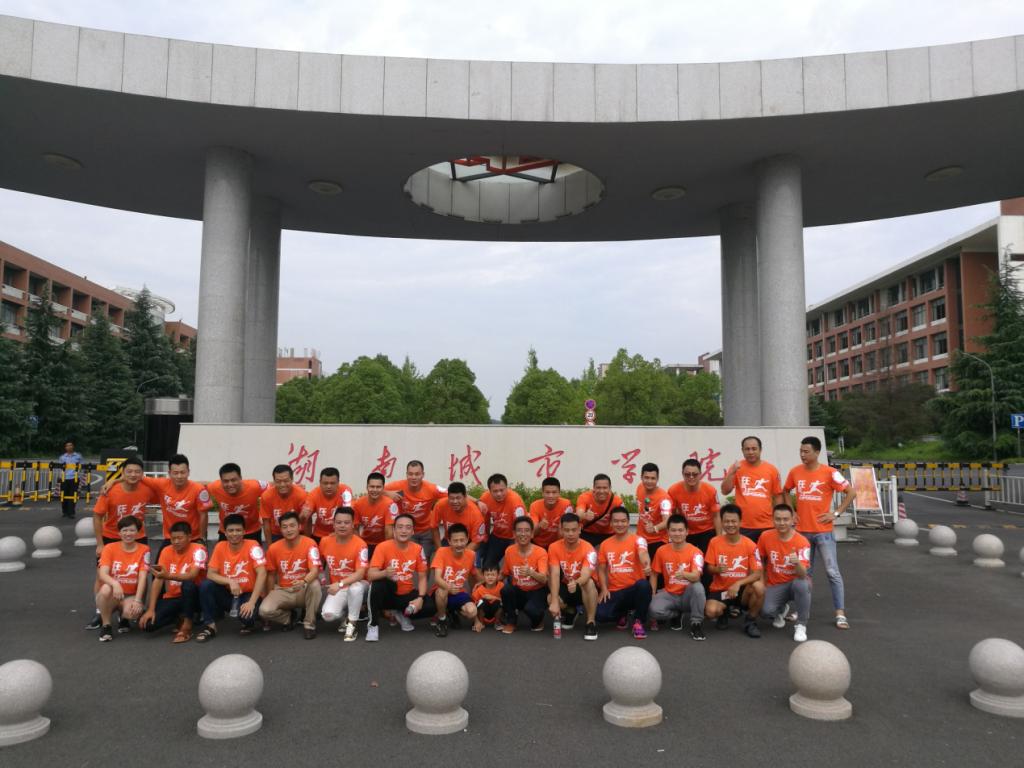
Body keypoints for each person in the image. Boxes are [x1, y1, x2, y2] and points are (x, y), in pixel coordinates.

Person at [784, 435, 854, 630]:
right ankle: (800, 611)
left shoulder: (830, 473)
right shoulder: (795, 472)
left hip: (823, 532)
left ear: (817, 452)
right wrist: (791, 512)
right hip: (802, 533)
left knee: (832, 572)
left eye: (806, 451)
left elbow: (851, 492)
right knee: (804, 573)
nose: (802, 455)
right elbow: (785, 491)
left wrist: (836, 513)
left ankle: (840, 613)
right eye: (801, 451)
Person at [86, 456, 157, 630]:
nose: (133, 475)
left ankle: (131, 609)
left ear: (142, 474)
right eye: (129, 471)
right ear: (123, 472)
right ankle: (100, 611)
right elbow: (97, 516)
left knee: (140, 574)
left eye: (137, 472)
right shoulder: (110, 491)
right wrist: (100, 543)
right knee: (101, 575)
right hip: (112, 536)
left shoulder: (147, 489)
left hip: (138, 536)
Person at [197, 513, 268, 641]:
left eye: (238, 530)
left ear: (244, 531)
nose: (234, 534)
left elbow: (262, 573)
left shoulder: (253, 545)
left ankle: (256, 616)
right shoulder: (220, 546)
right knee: (206, 585)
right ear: (225, 532)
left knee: (247, 618)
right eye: (230, 530)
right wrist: (230, 581)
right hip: (229, 593)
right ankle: (210, 625)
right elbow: (210, 574)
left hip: (248, 593)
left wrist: (251, 602)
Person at [366, 513, 431, 641]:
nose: (404, 531)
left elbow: (423, 577)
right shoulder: (382, 547)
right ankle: (373, 625)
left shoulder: (418, 549)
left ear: (413, 531)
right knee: (377, 584)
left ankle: (400, 612)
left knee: (430, 606)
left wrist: (420, 598)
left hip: (406, 594)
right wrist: (385, 573)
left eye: (408, 527)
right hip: (388, 594)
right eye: (400, 527)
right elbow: (370, 575)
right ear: (394, 530)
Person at [139, 521, 206, 643]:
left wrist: (168, 576)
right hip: (174, 597)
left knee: (188, 585)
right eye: (173, 538)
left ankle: (187, 625)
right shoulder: (166, 550)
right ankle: (179, 617)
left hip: (194, 596)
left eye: (180, 538)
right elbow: (159, 579)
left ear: (189, 537)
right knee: (147, 625)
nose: (176, 541)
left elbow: (192, 575)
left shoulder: (199, 549)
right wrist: (150, 609)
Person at [704, 504, 765, 638]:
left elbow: (757, 573)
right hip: (722, 590)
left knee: (759, 587)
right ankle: (724, 613)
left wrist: (738, 583)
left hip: (742, 591)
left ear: (740, 522)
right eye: (726, 521)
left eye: (734, 521)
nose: (730, 524)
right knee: (710, 612)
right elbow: (709, 568)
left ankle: (751, 621)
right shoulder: (714, 542)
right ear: (722, 522)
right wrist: (717, 569)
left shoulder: (750, 545)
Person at [259, 511, 323, 639]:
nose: (289, 530)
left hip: (303, 589)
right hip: (283, 590)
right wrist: (269, 594)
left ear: (299, 526)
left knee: (315, 585)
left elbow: (315, 570)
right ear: (280, 529)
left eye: (292, 526)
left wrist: (304, 581)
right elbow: (271, 575)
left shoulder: (310, 543)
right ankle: (288, 618)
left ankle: (309, 624)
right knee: (264, 610)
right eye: (285, 527)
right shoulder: (273, 548)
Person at [134, 454, 213, 556]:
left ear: (188, 472)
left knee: (197, 564)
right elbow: (137, 476)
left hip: (192, 538)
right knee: (159, 564)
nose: (179, 476)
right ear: (169, 473)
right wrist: (116, 480)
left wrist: (201, 538)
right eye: (175, 473)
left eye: (182, 472)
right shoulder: (161, 484)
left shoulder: (199, 489)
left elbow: (203, 515)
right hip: (171, 537)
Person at [758, 503, 812, 643]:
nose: (782, 523)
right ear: (773, 519)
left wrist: (797, 562)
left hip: (795, 582)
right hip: (775, 584)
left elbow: (803, 574)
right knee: (765, 611)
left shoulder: (802, 541)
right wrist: (762, 582)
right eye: (778, 519)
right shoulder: (765, 536)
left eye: (786, 519)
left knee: (802, 584)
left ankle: (801, 624)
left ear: (793, 519)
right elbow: (761, 561)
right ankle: (781, 609)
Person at [596, 507, 652, 639]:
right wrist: (604, 589)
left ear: (628, 522)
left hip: (634, 590)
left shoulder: (638, 540)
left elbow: (643, 553)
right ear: (611, 523)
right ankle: (622, 614)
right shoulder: (605, 544)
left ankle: (638, 621)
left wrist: (646, 564)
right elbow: (601, 569)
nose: (619, 524)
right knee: (600, 616)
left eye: (623, 521)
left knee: (644, 585)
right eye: (616, 521)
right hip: (615, 591)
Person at [648, 515, 706, 640]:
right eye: (673, 530)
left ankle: (696, 623)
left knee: (698, 587)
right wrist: (652, 593)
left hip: (687, 595)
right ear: (668, 532)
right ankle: (676, 615)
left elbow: (696, 577)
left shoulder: (695, 552)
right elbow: (654, 574)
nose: (677, 533)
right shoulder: (661, 550)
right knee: (653, 610)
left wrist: (684, 574)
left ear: (687, 532)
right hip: (670, 594)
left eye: (680, 530)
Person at [95, 516, 151, 642]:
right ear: (119, 533)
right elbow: (102, 573)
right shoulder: (109, 548)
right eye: (124, 530)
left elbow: (143, 576)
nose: (128, 534)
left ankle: (124, 617)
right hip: (114, 593)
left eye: (132, 530)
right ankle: (106, 625)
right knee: (105, 589)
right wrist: (115, 583)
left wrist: (138, 600)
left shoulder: (144, 549)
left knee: (132, 613)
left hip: (131, 594)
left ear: (138, 532)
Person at [318, 507, 369, 642]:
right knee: (327, 615)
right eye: (339, 522)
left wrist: (340, 584)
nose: (342, 526)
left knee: (355, 588)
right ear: (333, 524)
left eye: (346, 523)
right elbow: (319, 565)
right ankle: (345, 619)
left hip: (359, 585)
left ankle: (352, 624)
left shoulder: (360, 544)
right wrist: (322, 579)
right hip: (338, 587)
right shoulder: (325, 541)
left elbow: (360, 574)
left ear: (353, 525)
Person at [546, 513, 599, 640]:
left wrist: (576, 583)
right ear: (561, 530)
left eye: (574, 530)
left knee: (589, 583)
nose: (570, 534)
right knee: (550, 598)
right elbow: (554, 574)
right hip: (566, 585)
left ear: (580, 529)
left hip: (582, 586)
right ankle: (570, 611)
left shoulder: (588, 548)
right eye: (567, 530)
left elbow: (586, 575)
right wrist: (554, 601)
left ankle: (591, 622)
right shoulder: (553, 547)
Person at [720, 436, 783, 542]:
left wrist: (778, 519)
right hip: (743, 525)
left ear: (760, 450)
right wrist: (732, 472)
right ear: (742, 450)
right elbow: (725, 491)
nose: (750, 452)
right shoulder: (736, 468)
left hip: (767, 524)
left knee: (767, 552)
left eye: (754, 449)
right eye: (747, 449)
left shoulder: (771, 470)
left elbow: (778, 496)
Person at [384, 461, 448, 564]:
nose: (414, 477)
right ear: (406, 474)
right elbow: (375, 489)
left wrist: (475, 501)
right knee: (408, 560)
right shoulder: (398, 485)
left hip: (426, 530)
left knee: (424, 561)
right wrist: (387, 493)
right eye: (411, 474)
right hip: (407, 530)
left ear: (423, 474)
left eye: (417, 474)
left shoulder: (431, 488)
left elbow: (454, 494)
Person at [500, 516, 549, 633]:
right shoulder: (509, 550)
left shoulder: (541, 552)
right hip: (519, 590)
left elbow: (544, 579)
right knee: (505, 590)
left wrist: (530, 572)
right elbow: (504, 573)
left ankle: (538, 620)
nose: (523, 534)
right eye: (519, 530)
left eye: (527, 531)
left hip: (537, 590)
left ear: (532, 534)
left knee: (532, 612)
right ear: (514, 534)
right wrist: (486, 582)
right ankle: (511, 621)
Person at [431, 523, 479, 637]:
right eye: (455, 541)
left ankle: (452, 611)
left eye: (462, 540)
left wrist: (477, 620)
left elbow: (475, 575)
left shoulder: (471, 555)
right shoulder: (441, 552)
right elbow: (437, 578)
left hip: (458, 592)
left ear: (467, 539)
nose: (459, 544)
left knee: (472, 611)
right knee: (442, 591)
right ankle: (442, 620)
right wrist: (449, 588)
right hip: (441, 591)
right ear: (449, 541)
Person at [667, 458, 722, 556]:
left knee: (707, 560)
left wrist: (719, 539)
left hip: (706, 530)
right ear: (682, 474)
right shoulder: (673, 490)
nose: (691, 477)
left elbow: (716, 516)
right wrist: (673, 535)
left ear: (700, 474)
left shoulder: (710, 490)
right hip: (686, 531)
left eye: (695, 474)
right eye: (687, 474)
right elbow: (672, 515)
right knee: (685, 558)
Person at [206, 463, 267, 542]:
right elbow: (200, 492)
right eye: (226, 481)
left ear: (240, 478)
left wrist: (263, 513)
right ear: (221, 481)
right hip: (227, 531)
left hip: (251, 531)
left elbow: (272, 490)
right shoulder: (214, 487)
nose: (230, 484)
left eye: (233, 480)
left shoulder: (254, 486)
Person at [479, 473, 525, 569]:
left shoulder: (515, 501)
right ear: (489, 491)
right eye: (495, 491)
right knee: (488, 566)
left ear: (507, 488)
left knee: (513, 567)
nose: (499, 494)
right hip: (497, 535)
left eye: (501, 490)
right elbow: (484, 521)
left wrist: (518, 547)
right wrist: (485, 537)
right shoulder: (485, 498)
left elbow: (521, 527)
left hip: (514, 537)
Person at [302, 467, 354, 543]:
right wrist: (303, 516)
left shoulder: (346, 491)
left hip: (340, 534)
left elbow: (349, 514)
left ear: (338, 483)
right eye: (325, 483)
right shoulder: (313, 494)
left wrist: (337, 533)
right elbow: (304, 517)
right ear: (320, 483)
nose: (329, 486)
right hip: (319, 534)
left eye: (332, 483)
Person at [352, 471, 398, 557]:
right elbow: (355, 529)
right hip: (365, 543)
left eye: (378, 487)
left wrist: (387, 551)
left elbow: (389, 532)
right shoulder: (358, 504)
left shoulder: (390, 504)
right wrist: (360, 547)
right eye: (372, 487)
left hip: (383, 544)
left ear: (383, 488)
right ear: (367, 487)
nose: (375, 490)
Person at [432, 482, 487, 553]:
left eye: (458, 498)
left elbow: (476, 542)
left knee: (472, 559)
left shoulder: (476, 514)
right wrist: (439, 550)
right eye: (451, 498)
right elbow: (434, 527)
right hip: (450, 539)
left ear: (465, 497)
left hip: (469, 541)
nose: (455, 501)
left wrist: (460, 556)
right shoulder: (440, 505)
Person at [635, 462, 674, 560]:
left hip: (658, 541)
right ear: (641, 477)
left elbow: (667, 521)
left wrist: (655, 528)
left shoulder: (664, 499)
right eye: (646, 478)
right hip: (641, 539)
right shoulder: (640, 488)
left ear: (657, 479)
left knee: (654, 569)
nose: (649, 481)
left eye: (653, 478)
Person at [261, 464, 308, 543]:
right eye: (278, 481)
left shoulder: (302, 495)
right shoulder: (266, 496)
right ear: (274, 481)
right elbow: (266, 524)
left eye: (286, 481)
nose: (282, 485)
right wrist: (269, 546)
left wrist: (306, 543)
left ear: (292, 479)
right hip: (276, 534)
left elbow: (305, 521)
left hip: (296, 533)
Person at [576, 474, 623, 549]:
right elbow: (578, 514)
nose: (601, 491)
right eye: (598, 488)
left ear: (610, 488)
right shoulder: (584, 497)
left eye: (605, 488)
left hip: (609, 534)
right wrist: (584, 515)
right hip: (587, 533)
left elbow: (623, 519)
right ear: (593, 488)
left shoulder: (617, 501)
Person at [529, 476, 573, 549]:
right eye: (547, 492)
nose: (551, 496)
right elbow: (532, 533)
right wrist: (540, 526)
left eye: (554, 492)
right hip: (538, 545)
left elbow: (565, 533)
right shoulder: (534, 506)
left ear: (559, 493)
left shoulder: (566, 504)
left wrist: (561, 527)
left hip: (557, 545)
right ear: (542, 493)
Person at [470, 563, 504, 631]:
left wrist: (493, 597)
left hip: (495, 611)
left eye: (493, 575)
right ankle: (481, 622)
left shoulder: (502, 586)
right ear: (483, 576)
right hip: (483, 612)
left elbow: (506, 601)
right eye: (487, 575)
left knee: (499, 602)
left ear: (498, 575)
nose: (490, 577)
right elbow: (473, 604)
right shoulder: (479, 589)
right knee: (481, 601)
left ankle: (497, 622)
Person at [57, 440, 83, 519]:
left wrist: (79, 475)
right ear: (65, 447)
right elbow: (60, 468)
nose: (69, 447)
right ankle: (64, 511)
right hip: (64, 478)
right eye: (67, 445)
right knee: (64, 495)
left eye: (70, 445)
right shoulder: (62, 457)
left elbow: (81, 467)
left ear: (73, 446)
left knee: (73, 495)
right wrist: (60, 477)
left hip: (74, 478)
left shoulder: (78, 456)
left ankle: (71, 512)